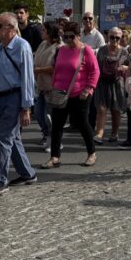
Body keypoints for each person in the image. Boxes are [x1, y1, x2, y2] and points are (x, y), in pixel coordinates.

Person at [0, 12, 37, 196]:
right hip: (1, 96)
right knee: (13, 138)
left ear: (10, 28)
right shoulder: (0, 48)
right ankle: (27, 173)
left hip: (15, 96)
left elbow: (28, 79)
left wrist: (26, 107)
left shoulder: (22, 47)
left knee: (5, 138)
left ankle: (0, 180)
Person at [42, 21, 100, 169]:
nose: (68, 39)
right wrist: (53, 86)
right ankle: (55, 157)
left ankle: (91, 153)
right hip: (60, 93)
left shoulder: (85, 50)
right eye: (65, 36)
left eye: (71, 36)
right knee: (57, 125)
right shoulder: (61, 50)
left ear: (78, 36)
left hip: (79, 93)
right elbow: (57, 70)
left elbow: (95, 71)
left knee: (82, 123)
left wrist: (89, 89)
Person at [93, 27, 130, 143]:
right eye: (112, 37)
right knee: (101, 109)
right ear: (108, 37)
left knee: (116, 110)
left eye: (117, 37)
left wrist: (125, 68)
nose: (114, 40)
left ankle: (114, 133)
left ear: (121, 38)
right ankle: (99, 134)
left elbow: (130, 68)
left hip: (117, 83)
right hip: (102, 82)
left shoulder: (124, 51)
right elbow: (96, 67)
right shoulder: (102, 50)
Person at [32, 22, 61, 150]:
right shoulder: (43, 44)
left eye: (44, 30)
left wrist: (39, 70)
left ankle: (56, 141)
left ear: (50, 32)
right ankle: (47, 135)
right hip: (41, 85)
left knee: (49, 116)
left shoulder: (59, 47)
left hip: (52, 86)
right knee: (38, 114)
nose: (41, 32)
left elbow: (56, 68)